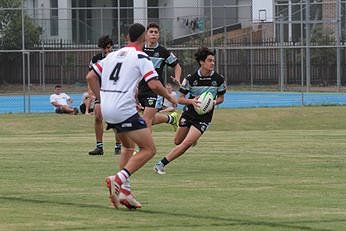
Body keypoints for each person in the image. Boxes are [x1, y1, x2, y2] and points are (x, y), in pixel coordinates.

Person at [86, 23, 178, 209]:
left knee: (128, 147)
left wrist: (102, 98)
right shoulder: (141, 56)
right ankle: (118, 179)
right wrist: (169, 96)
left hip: (108, 109)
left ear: (127, 36)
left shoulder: (111, 56)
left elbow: (90, 77)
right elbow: (154, 84)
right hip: (123, 109)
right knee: (149, 149)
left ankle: (125, 193)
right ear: (143, 38)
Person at [153, 47, 226, 175]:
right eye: (210, 60)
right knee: (177, 141)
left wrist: (213, 102)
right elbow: (180, 99)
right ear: (202, 62)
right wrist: (192, 101)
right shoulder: (191, 78)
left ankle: (161, 164)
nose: (212, 63)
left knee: (187, 143)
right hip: (189, 113)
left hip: (204, 117)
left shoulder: (218, 79)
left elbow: (221, 98)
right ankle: (186, 130)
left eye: (213, 61)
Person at [137, 22, 182, 131]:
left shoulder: (163, 51)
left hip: (156, 89)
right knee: (146, 119)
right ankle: (171, 118)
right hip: (141, 88)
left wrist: (177, 78)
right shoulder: (140, 49)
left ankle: (145, 148)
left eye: (156, 32)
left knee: (146, 120)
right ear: (146, 34)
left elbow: (177, 66)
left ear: (159, 35)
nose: (153, 34)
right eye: (151, 32)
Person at [87, 35, 122, 155]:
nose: (107, 50)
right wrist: (92, 92)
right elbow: (90, 77)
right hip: (101, 92)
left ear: (112, 46)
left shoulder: (118, 58)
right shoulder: (96, 59)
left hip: (114, 92)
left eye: (108, 47)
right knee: (97, 117)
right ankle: (99, 147)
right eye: (104, 48)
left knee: (115, 119)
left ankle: (118, 147)